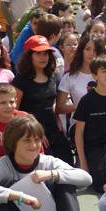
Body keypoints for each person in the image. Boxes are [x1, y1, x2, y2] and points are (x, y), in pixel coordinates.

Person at [12, 35, 71, 163]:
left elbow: (52, 101)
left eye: (46, 53)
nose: (43, 57)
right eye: (39, 54)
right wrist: (34, 132)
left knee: (66, 162)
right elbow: (15, 112)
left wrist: (57, 119)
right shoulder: (20, 80)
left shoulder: (51, 75)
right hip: (32, 134)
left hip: (53, 130)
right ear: (29, 56)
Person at [73, 55, 106, 191]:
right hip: (93, 151)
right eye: (104, 71)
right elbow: (79, 133)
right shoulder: (86, 101)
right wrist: (83, 163)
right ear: (94, 75)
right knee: (100, 184)